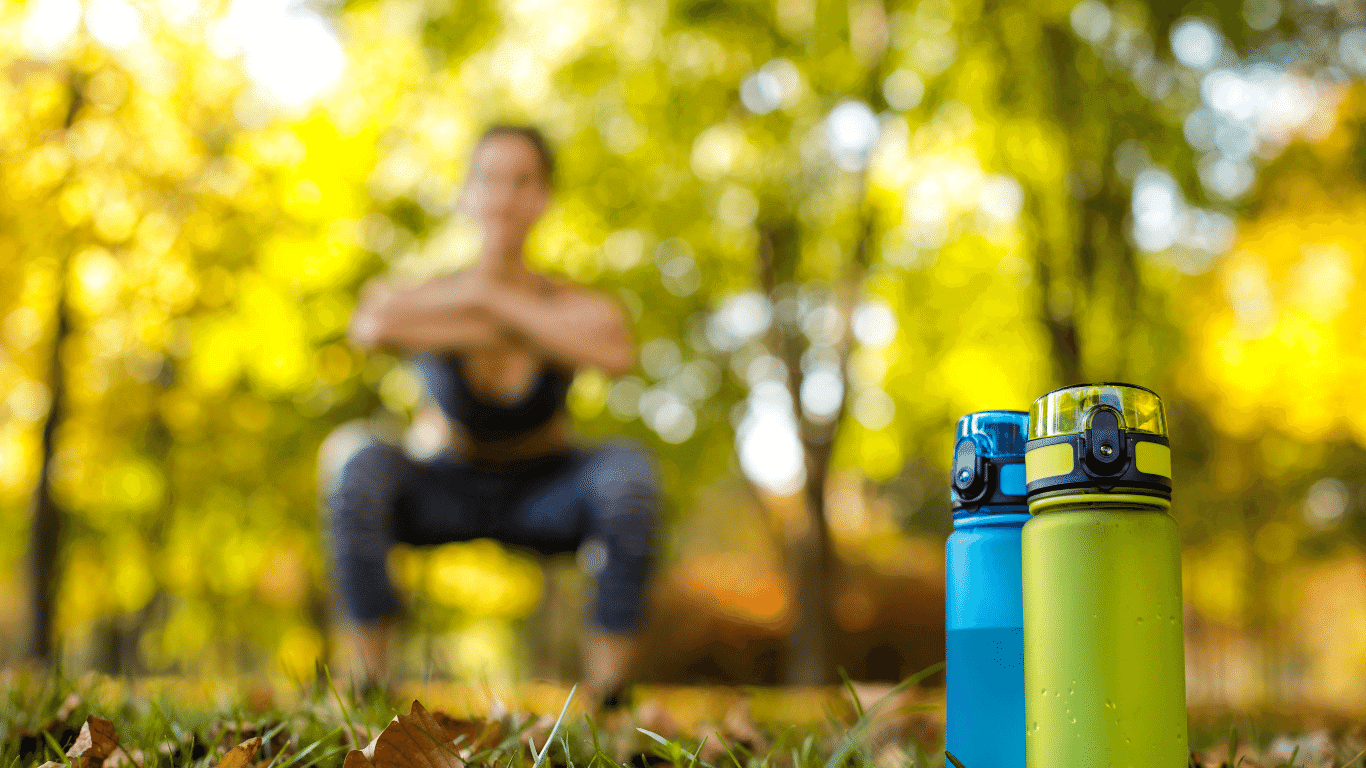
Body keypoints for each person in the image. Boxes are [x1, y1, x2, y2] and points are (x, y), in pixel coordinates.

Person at [325, 125, 657, 706]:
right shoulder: (438, 289)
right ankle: (365, 684)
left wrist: (488, 300)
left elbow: (616, 350)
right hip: (442, 484)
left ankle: (610, 695)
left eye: (522, 181)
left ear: (543, 198)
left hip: (546, 491)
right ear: (468, 193)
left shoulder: (564, 300)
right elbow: (372, 324)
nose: (505, 196)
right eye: (491, 179)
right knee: (355, 458)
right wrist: (529, 325)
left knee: (630, 473)